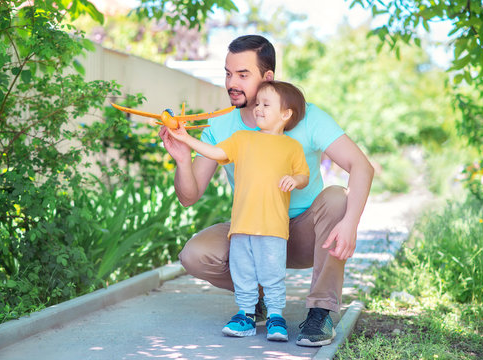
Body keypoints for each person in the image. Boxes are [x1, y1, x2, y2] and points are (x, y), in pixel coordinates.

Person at [159, 34, 374, 347]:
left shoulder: (306, 116)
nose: (232, 83)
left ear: (267, 77)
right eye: (228, 73)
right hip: (250, 229)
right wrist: (182, 160)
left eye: (243, 75)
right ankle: (255, 299)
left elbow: (362, 166)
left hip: (303, 233)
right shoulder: (221, 127)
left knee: (338, 198)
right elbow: (189, 196)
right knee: (194, 254)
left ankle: (320, 311)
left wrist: (351, 224)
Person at [167, 80, 310, 342]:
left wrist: (295, 180)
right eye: (258, 104)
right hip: (242, 225)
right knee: (242, 272)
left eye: (267, 105)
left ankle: (276, 317)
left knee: (272, 273)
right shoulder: (242, 139)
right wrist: (185, 139)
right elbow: (215, 151)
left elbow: (303, 175)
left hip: (273, 227)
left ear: (286, 114)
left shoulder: (292, 147)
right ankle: (245, 315)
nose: (258, 109)